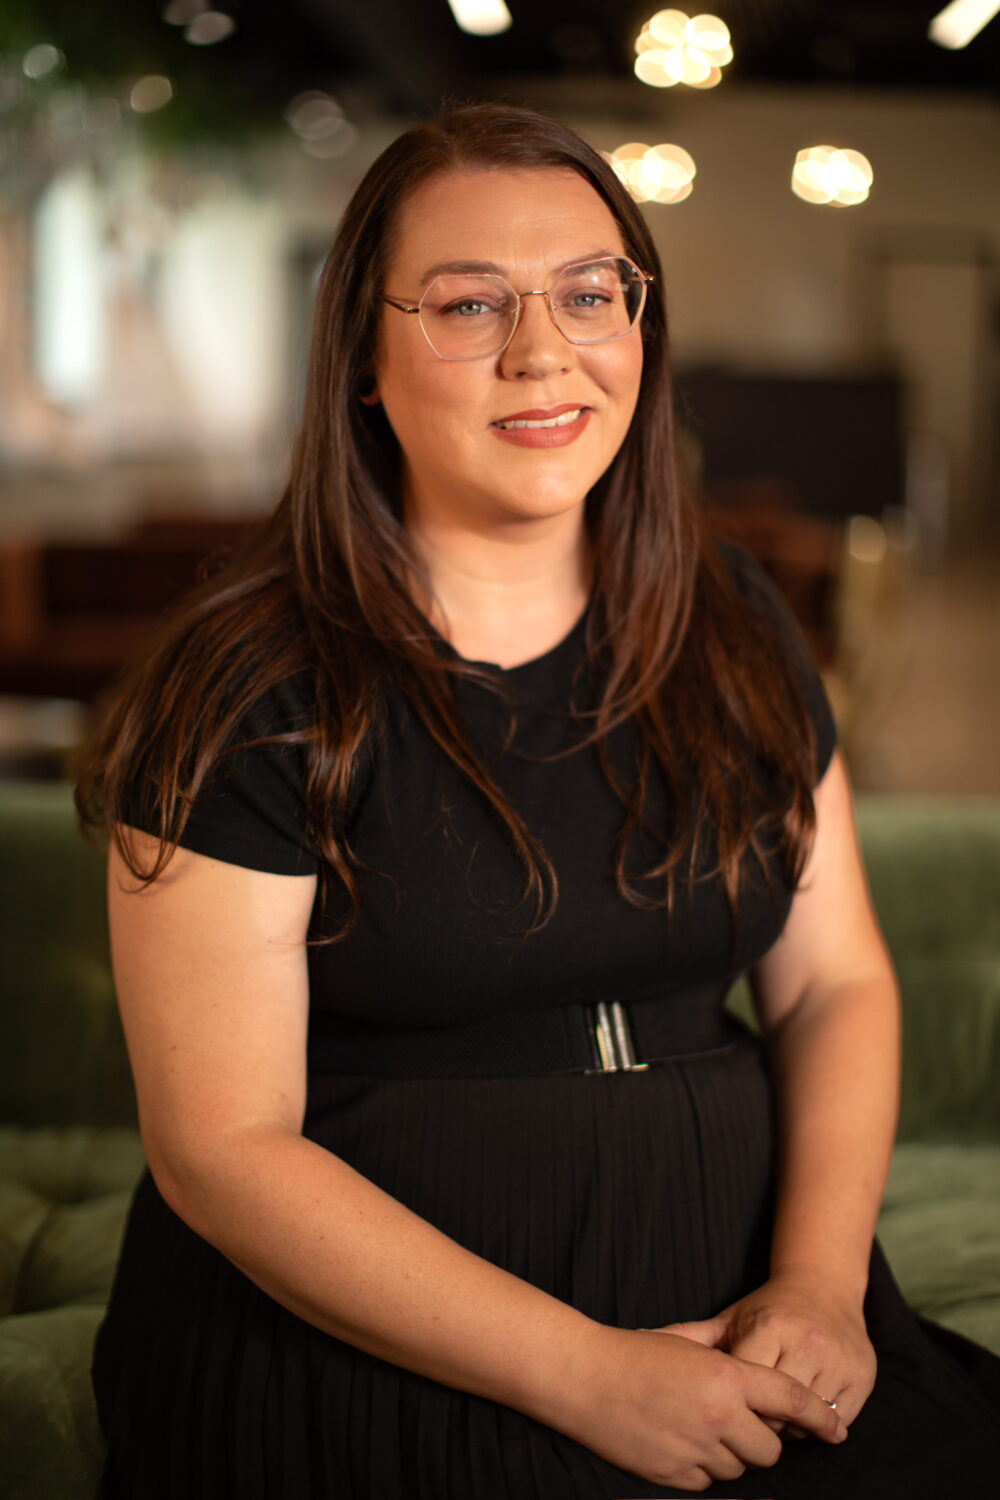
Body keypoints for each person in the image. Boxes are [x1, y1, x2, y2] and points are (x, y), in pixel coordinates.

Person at [77, 103, 1000, 1499]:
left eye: (588, 292)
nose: (544, 351)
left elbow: (835, 986)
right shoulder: (247, 678)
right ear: (364, 366)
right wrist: (590, 1375)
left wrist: (818, 1288)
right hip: (377, 1350)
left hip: (754, 1297)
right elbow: (222, 1148)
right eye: (467, 305)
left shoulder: (734, 620)